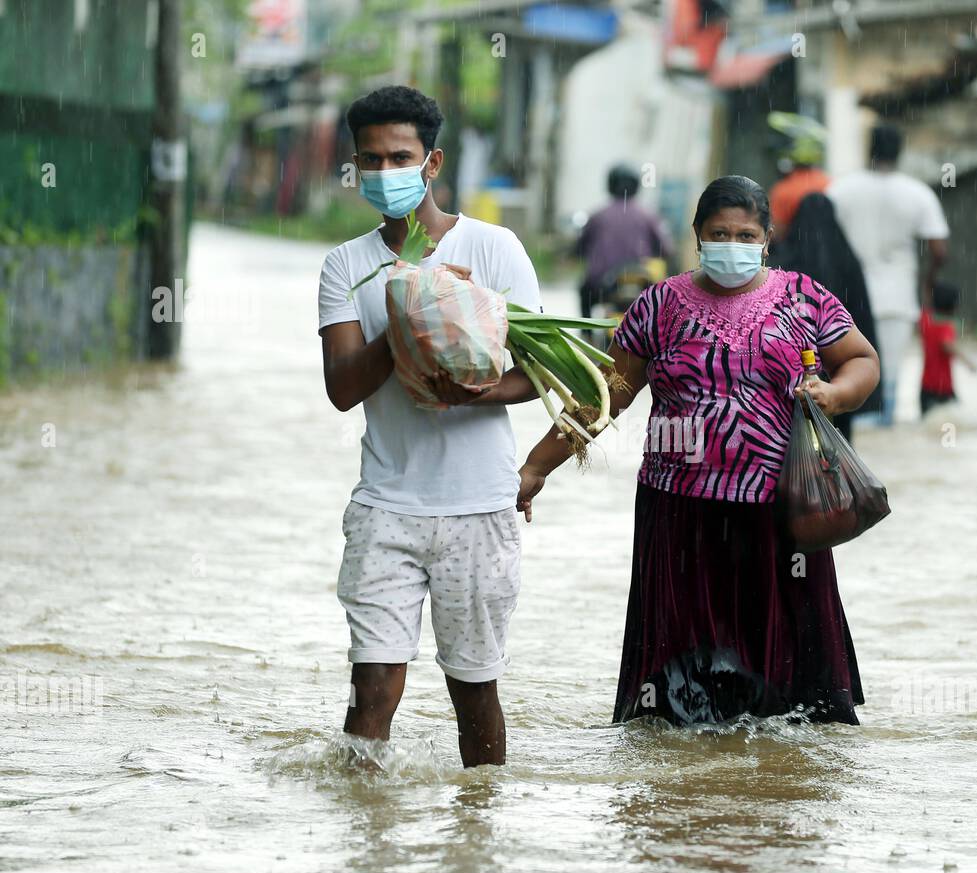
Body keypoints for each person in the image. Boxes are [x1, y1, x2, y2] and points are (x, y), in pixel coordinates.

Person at [516, 176, 880, 725]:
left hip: (779, 509)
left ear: (766, 237)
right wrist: (535, 467)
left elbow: (863, 361)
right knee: (679, 694)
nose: (731, 245)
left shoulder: (804, 297)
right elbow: (606, 395)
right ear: (696, 236)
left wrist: (835, 393)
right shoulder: (659, 305)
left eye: (744, 234)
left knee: (788, 693)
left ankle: (773, 780)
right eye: (718, 233)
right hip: (679, 510)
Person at [316, 86, 543, 767]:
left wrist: (465, 392)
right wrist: (410, 305)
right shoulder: (346, 266)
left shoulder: (495, 249)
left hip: (479, 508)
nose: (386, 173)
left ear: (433, 161)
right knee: (371, 692)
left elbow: (536, 373)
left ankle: (476, 837)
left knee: (473, 695)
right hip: (386, 508)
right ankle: (367, 838)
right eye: (371, 161)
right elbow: (341, 387)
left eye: (401, 157)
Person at [827, 124, 949, 426]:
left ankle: (853, 440)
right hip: (897, 297)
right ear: (900, 152)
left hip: (848, 297)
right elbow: (939, 249)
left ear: (870, 149)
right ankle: (885, 435)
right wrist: (929, 283)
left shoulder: (841, 189)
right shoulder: (918, 193)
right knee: (889, 375)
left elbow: (821, 236)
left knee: (848, 370)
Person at [769, 191, 883, 433]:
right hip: (839, 359)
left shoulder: (786, 265)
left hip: (800, 372)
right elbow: (861, 318)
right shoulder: (848, 261)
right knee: (837, 434)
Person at [575, 164, 675, 317]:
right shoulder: (649, 216)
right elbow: (667, 249)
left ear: (610, 185)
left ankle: (587, 334)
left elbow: (580, 247)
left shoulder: (598, 216)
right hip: (641, 282)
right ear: (636, 186)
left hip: (603, 285)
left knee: (584, 293)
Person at [919, 281, 975, 415]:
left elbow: (927, 299)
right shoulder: (946, 327)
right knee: (954, 423)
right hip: (944, 389)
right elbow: (946, 345)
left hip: (925, 389)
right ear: (954, 307)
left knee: (928, 427)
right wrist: (969, 363)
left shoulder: (925, 321)